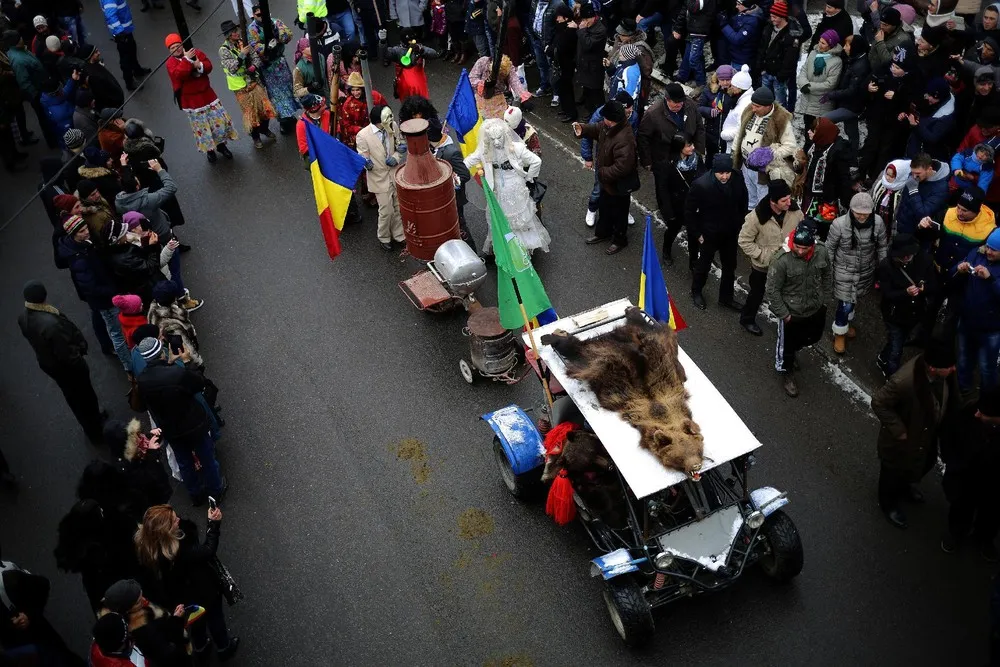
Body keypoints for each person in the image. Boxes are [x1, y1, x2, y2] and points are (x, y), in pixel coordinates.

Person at [134, 505, 239, 660]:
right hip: (203, 590)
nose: (179, 520)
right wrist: (213, 524)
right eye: (175, 521)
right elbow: (208, 551)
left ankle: (201, 647)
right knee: (215, 618)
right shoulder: (180, 551)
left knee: (196, 622)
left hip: (181, 597)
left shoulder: (149, 548)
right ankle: (224, 647)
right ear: (166, 532)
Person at [871, 341, 956, 529]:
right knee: (891, 474)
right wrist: (899, 430)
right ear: (933, 368)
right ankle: (889, 504)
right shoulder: (904, 381)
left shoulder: (940, 376)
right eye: (949, 366)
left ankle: (904, 488)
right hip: (901, 441)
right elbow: (879, 402)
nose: (953, 369)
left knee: (922, 463)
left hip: (924, 435)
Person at [135, 337, 226, 504]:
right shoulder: (176, 373)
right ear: (161, 352)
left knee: (185, 463)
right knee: (207, 458)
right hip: (193, 424)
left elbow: (141, 404)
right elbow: (198, 383)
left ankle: (196, 494)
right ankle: (216, 490)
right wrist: (186, 361)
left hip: (170, 429)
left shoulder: (142, 380)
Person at [17, 280, 107, 441]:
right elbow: (67, 354)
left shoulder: (24, 316)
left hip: (50, 364)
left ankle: (91, 424)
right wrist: (80, 361)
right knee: (84, 396)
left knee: (73, 397)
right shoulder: (51, 324)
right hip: (68, 368)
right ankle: (96, 430)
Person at [55, 215, 133, 372]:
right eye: (82, 231)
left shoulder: (83, 246)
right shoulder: (78, 259)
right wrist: (112, 291)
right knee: (117, 334)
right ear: (73, 234)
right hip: (105, 301)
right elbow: (90, 287)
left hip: (108, 294)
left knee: (119, 328)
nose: (86, 232)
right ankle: (130, 366)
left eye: (85, 228)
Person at [765, 221, 832, 397]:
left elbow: (827, 274)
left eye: (805, 248)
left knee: (813, 337)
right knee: (786, 348)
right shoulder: (781, 260)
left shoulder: (822, 252)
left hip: (814, 308)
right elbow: (772, 290)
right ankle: (787, 373)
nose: (800, 251)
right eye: (797, 247)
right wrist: (784, 315)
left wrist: (824, 299)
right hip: (791, 313)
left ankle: (793, 352)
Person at [468, 118, 550, 253]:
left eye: (499, 138)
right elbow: (470, 160)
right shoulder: (485, 149)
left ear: (505, 135)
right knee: (502, 218)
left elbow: (536, 161)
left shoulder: (516, 148)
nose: (496, 142)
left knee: (520, 218)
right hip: (498, 189)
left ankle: (523, 247)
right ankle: (509, 248)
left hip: (515, 186)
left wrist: (529, 177)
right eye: (492, 139)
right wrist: (455, 172)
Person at [939, 388, 1000, 560]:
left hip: (993, 485)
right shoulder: (970, 410)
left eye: (984, 413)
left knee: (991, 514)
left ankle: (984, 538)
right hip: (965, 478)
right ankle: (956, 533)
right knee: (961, 508)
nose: (977, 414)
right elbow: (949, 433)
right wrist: (950, 459)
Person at [826, 192, 889, 353]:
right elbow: (830, 249)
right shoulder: (839, 225)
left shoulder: (878, 223)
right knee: (845, 304)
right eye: (858, 213)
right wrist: (828, 272)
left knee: (853, 302)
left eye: (865, 214)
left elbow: (882, 246)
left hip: (865, 272)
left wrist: (883, 268)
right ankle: (839, 331)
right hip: (843, 271)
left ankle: (845, 325)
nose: (861, 217)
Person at [571, 101, 637, 255]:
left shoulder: (625, 139)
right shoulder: (609, 126)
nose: (602, 120)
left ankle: (620, 240)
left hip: (619, 186)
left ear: (611, 120)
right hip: (607, 183)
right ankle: (603, 232)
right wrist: (584, 128)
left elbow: (623, 167)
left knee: (620, 214)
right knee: (605, 208)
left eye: (605, 117)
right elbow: (597, 128)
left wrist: (602, 173)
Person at [738, 179, 803, 335]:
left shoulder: (795, 211)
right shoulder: (756, 217)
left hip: (787, 263)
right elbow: (744, 241)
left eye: (789, 197)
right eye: (784, 200)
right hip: (763, 267)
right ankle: (747, 319)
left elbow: (800, 229)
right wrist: (763, 256)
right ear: (773, 202)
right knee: (757, 294)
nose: (789, 202)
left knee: (787, 294)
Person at [686, 153, 749, 311]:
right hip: (709, 233)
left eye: (727, 172)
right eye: (721, 173)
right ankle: (696, 291)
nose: (725, 176)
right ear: (714, 171)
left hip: (730, 232)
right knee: (704, 265)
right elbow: (689, 211)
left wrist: (740, 221)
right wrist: (697, 233)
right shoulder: (701, 185)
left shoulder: (737, 177)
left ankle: (726, 298)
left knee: (730, 266)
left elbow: (743, 199)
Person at [0, 553, 86, 666]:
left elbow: (41, 584)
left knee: (59, 658)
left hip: (34, 632)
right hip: (11, 643)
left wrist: (28, 614)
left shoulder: (7, 576)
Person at [54, 498, 138, 612]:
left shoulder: (79, 540)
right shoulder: (95, 549)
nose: (102, 511)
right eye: (100, 511)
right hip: (117, 586)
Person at [165, 34, 237, 163]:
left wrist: (200, 65)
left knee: (218, 123)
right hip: (192, 102)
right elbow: (180, 74)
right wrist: (187, 60)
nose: (177, 49)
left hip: (207, 95)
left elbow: (208, 66)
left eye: (178, 46)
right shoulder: (171, 63)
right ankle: (210, 151)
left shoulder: (195, 52)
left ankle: (221, 146)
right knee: (202, 128)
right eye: (173, 48)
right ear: (169, 51)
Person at [857, 45, 920, 186]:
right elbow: (867, 82)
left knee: (884, 151)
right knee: (871, 146)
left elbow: (912, 101)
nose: (893, 69)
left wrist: (897, 96)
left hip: (894, 123)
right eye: (893, 65)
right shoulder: (884, 68)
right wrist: (869, 88)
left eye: (898, 68)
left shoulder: (912, 80)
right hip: (877, 116)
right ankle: (860, 174)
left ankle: (875, 179)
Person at [875, 233, 936, 376]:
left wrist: (923, 289)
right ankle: (891, 377)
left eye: (908, 254)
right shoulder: (886, 266)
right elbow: (887, 293)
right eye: (902, 255)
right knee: (897, 349)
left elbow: (933, 285)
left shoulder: (924, 260)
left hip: (914, 314)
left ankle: (882, 357)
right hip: (894, 315)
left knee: (898, 341)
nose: (906, 257)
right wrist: (905, 293)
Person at [95, 580, 195, 665]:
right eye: (138, 601)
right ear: (126, 609)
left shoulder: (113, 615)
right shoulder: (144, 632)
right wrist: (176, 620)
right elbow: (168, 652)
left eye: (141, 595)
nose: (144, 600)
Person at [951, 227, 1000, 393]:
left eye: (994, 250)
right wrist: (959, 268)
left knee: (987, 368)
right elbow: (953, 274)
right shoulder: (976, 253)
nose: (989, 252)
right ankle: (963, 392)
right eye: (988, 246)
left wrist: (991, 279)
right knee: (964, 360)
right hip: (967, 321)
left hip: (991, 329)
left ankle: (988, 402)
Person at [731, 85, 797, 209]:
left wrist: (770, 153)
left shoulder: (781, 120)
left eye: (757, 106)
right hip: (745, 165)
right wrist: (734, 151)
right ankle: (750, 220)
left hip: (763, 171)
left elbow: (790, 146)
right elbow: (739, 132)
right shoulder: (749, 111)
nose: (753, 108)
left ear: (768, 106)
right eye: (753, 104)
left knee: (762, 201)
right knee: (749, 197)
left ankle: (762, 223)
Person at [581, 91, 637, 227]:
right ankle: (592, 208)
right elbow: (589, 132)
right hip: (604, 156)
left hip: (621, 156)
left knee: (622, 188)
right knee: (599, 186)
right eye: (627, 111)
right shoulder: (603, 114)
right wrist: (587, 157)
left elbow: (634, 135)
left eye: (631, 110)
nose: (629, 113)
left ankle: (624, 211)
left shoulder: (633, 116)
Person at [219, 20, 276, 150]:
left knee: (264, 108)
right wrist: (242, 55)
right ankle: (256, 137)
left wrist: (254, 66)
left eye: (236, 30)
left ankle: (264, 129)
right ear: (228, 35)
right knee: (250, 114)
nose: (236, 33)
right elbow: (232, 67)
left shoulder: (244, 42)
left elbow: (256, 58)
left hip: (254, 82)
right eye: (233, 32)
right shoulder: (224, 50)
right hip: (240, 87)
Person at [356, 104, 406, 250]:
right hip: (378, 178)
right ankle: (384, 237)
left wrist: (397, 157)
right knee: (386, 210)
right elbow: (362, 156)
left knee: (398, 206)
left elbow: (399, 145)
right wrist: (366, 164)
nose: (391, 121)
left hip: (394, 173)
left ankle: (399, 234)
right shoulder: (363, 135)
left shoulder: (392, 126)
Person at [247, 6, 298, 135]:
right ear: (254, 15)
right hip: (268, 66)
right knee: (276, 95)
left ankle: (290, 115)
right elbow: (255, 47)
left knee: (287, 89)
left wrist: (279, 35)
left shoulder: (275, 22)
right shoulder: (252, 29)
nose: (261, 17)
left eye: (263, 14)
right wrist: (266, 47)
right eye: (258, 15)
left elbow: (288, 35)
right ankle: (283, 120)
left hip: (280, 62)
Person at [800, 117, 853, 240]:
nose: (808, 132)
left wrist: (846, 202)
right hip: (809, 196)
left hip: (826, 201)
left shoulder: (838, 152)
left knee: (822, 231)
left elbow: (843, 179)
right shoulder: (816, 145)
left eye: (813, 130)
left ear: (821, 133)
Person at [658, 133, 705, 269]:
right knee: (673, 229)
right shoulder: (668, 164)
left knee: (693, 235)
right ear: (679, 147)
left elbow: (704, 177)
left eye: (692, 144)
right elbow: (663, 189)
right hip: (676, 205)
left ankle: (693, 263)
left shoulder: (697, 159)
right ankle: (666, 251)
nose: (693, 147)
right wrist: (668, 211)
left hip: (694, 205)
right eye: (689, 145)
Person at [428, 118, 475, 251]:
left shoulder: (451, 152)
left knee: (460, 226)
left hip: (453, 198)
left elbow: (465, 174)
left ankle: (472, 252)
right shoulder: (433, 148)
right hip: (440, 198)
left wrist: (452, 183)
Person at [4, 30, 55, 148]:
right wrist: (36, 96)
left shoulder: (18, 51)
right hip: (37, 93)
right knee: (44, 118)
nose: (22, 38)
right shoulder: (18, 60)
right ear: (16, 41)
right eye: (20, 37)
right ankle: (52, 141)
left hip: (40, 88)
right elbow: (24, 82)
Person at [823, 34, 870, 156]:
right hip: (851, 104)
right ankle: (853, 155)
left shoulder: (860, 66)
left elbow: (851, 91)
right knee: (851, 130)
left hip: (851, 106)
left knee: (824, 120)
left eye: (847, 45)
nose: (844, 48)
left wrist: (831, 95)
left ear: (855, 47)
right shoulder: (856, 59)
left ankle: (829, 146)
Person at [756, 1, 802, 108]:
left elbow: (790, 59)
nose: (772, 19)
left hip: (778, 76)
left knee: (779, 105)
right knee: (765, 102)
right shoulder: (769, 28)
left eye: (775, 17)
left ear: (782, 17)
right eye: (771, 16)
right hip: (766, 72)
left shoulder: (791, 34)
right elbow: (762, 48)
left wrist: (781, 76)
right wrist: (761, 67)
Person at [147, 281, 203, 367]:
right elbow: (186, 348)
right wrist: (198, 362)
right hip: (176, 349)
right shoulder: (172, 326)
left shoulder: (153, 307)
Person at [797, 30, 843, 131]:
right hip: (807, 99)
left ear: (830, 45)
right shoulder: (813, 53)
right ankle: (807, 146)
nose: (820, 45)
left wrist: (809, 87)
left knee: (818, 130)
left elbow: (830, 84)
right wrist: (803, 84)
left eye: (823, 43)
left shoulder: (836, 62)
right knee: (808, 127)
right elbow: (804, 70)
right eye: (819, 41)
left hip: (821, 103)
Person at [894, 153, 951, 235]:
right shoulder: (916, 174)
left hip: (917, 233)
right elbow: (904, 199)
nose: (913, 176)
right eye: (912, 172)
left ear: (929, 169)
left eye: (918, 173)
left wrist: (913, 191)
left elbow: (924, 214)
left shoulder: (941, 189)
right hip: (901, 224)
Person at [100, 0, 149, 92]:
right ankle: (129, 82)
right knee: (126, 58)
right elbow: (111, 16)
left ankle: (137, 70)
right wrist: (120, 32)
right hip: (122, 33)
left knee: (132, 50)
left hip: (125, 30)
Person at [380, 28, 440, 102]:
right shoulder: (397, 50)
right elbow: (385, 54)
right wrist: (383, 42)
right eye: (409, 40)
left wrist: (420, 50)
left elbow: (434, 54)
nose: (410, 43)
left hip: (420, 87)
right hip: (405, 88)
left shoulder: (418, 48)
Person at [903, 77, 956, 160]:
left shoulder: (946, 116)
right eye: (928, 95)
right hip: (914, 145)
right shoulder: (933, 102)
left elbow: (932, 138)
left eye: (933, 97)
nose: (928, 98)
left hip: (925, 155)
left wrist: (916, 125)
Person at [468, 53, 530, 119]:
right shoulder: (482, 62)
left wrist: (522, 94)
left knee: (502, 121)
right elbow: (471, 78)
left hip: (498, 97)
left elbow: (514, 81)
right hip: (481, 96)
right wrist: (481, 84)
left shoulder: (508, 66)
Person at [672, 0, 715, 86]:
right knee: (690, 54)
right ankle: (683, 76)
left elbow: (693, 7)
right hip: (692, 28)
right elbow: (685, 10)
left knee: (694, 59)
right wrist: (678, 28)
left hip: (699, 31)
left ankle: (701, 83)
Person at [576, 2, 608, 116]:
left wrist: (582, 30)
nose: (584, 22)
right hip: (584, 64)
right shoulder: (588, 25)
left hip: (593, 67)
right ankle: (587, 106)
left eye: (586, 19)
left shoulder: (600, 29)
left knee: (596, 92)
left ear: (592, 17)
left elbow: (588, 44)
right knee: (587, 89)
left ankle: (596, 113)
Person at [698, 65, 735, 160]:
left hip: (728, 131)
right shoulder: (709, 90)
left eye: (728, 80)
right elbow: (699, 107)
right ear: (717, 79)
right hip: (711, 130)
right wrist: (708, 111)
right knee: (711, 156)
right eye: (722, 80)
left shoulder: (736, 92)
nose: (725, 83)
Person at [869, 158, 909, 239]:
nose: (887, 178)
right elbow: (870, 194)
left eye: (892, 176)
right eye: (887, 174)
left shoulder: (905, 189)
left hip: (890, 224)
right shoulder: (881, 180)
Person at [551, 3, 577, 121]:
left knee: (566, 88)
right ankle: (566, 109)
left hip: (566, 65)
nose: (557, 19)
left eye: (559, 17)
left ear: (565, 17)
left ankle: (571, 113)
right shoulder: (563, 28)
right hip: (561, 64)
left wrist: (550, 49)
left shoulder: (569, 31)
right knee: (562, 88)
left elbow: (561, 47)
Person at [718, 63, 754, 152]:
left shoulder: (744, 105)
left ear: (740, 88)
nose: (731, 87)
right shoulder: (740, 98)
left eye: (734, 86)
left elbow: (741, 128)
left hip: (735, 144)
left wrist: (724, 134)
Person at [867, 6, 912, 74]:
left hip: (884, 74)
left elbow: (889, 61)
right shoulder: (883, 29)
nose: (881, 26)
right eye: (881, 23)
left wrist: (880, 42)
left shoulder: (903, 39)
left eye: (885, 25)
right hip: (872, 69)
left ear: (894, 25)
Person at [721, 0, 765, 70]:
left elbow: (737, 39)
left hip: (742, 61)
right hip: (735, 55)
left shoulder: (753, 21)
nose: (736, 6)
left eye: (738, 4)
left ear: (746, 5)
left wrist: (724, 25)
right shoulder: (743, 13)